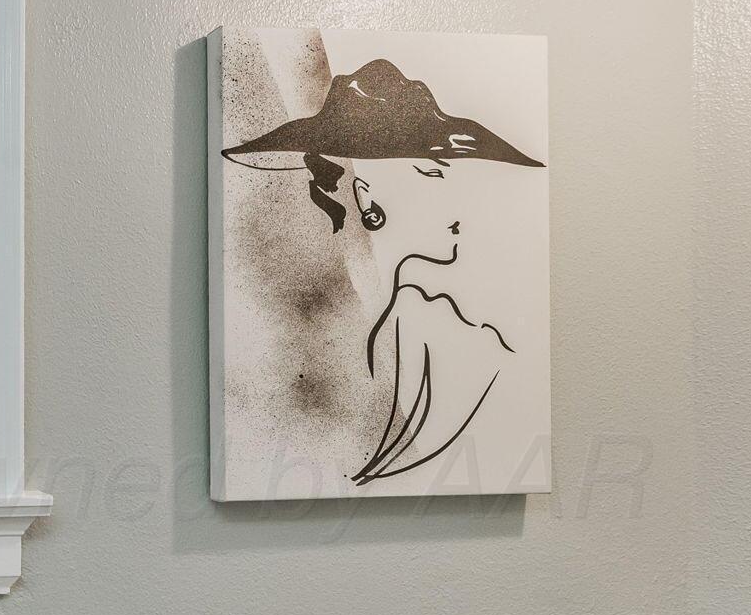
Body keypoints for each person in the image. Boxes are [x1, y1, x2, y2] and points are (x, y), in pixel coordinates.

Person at [223, 58, 545, 485]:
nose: (456, 203)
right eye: (433, 174)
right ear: (366, 197)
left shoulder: (438, 325)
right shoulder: (387, 328)